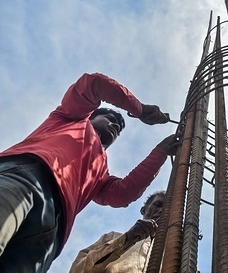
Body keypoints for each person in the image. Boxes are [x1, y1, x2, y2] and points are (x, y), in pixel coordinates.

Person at [0, 73, 180, 272]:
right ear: (91, 116)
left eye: (119, 129)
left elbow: (124, 194)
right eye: (110, 119)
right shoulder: (70, 118)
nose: (115, 126)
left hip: (53, 229)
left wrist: (161, 151)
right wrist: (139, 109)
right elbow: (94, 84)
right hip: (28, 178)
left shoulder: (99, 174)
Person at [70, 190, 166, 273]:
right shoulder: (112, 237)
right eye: (157, 205)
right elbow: (78, 270)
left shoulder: (173, 253)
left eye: (167, 208)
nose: (162, 211)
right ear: (143, 210)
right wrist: (128, 239)